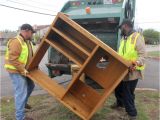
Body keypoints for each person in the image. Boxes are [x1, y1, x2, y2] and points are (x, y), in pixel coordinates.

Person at [111, 19, 146, 120]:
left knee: (127, 93)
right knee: (118, 88)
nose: (120, 30)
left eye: (121, 28)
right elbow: (121, 54)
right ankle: (120, 103)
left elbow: (143, 56)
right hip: (122, 69)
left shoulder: (137, 37)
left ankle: (132, 114)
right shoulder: (124, 39)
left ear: (125, 26)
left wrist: (135, 64)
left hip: (132, 71)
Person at [4, 24, 36, 120]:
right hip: (16, 71)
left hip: (24, 70)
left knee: (31, 85)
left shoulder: (27, 42)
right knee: (21, 93)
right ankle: (20, 118)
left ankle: (23, 103)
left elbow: (29, 56)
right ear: (26, 31)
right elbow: (13, 59)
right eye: (31, 33)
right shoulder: (16, 41)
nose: (32, 35)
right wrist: (23, 70)